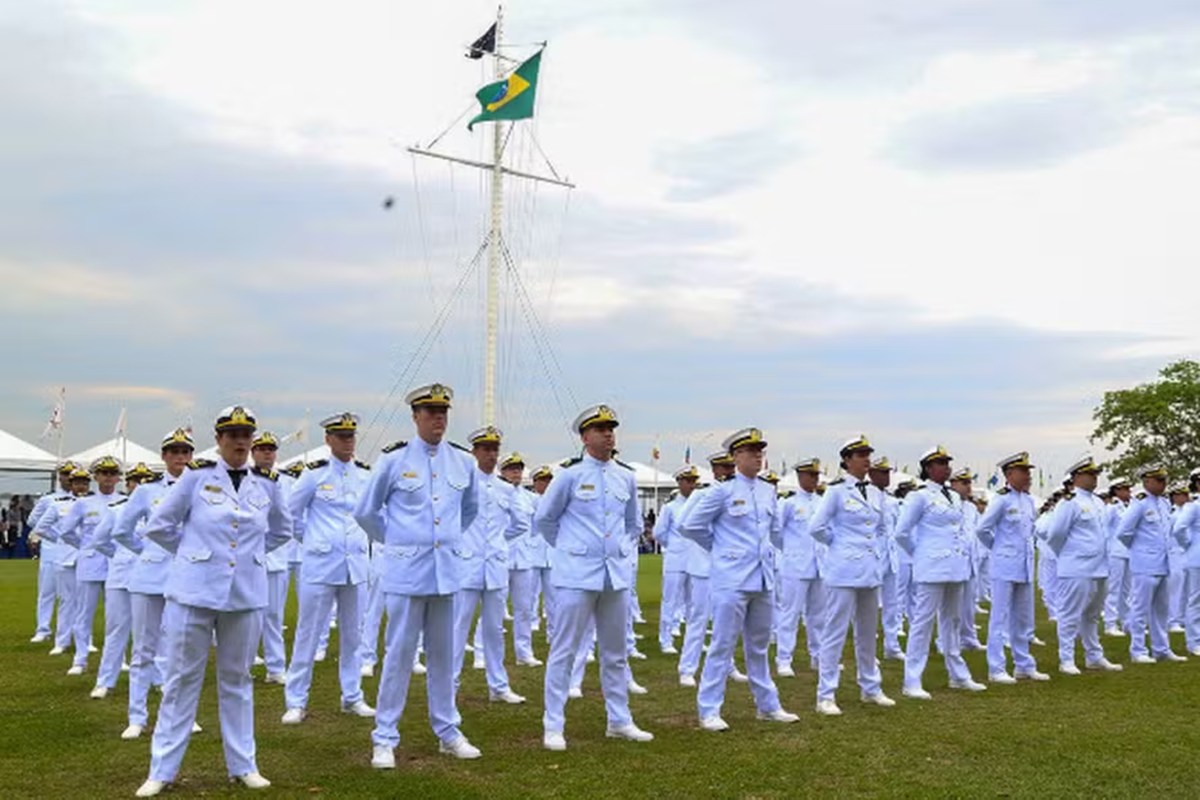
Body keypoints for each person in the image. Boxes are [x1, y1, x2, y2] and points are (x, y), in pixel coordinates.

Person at [134, 406, 293, 797]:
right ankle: (162, 770)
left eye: (246, 434)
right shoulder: (196, 476)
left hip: (245, 594)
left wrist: (249, 559)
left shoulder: (268, 484)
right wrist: (195, 554)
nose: (240, 441)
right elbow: (160, 526)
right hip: (194, 592)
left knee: (238, 680)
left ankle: (243, 765)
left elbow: (282, 531)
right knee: (181, 680)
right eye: (232, 434)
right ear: (219, 439)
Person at [354, 383, 482, 769]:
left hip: (446, 573)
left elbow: (469, 511)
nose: (438, 418)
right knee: (398, 656)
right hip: (407, 574)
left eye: (443, 412)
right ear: (415, 416)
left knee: (444, 657)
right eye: (430, 412)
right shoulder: (393, 460)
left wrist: (446, 542)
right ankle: (384, 737)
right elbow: (366, 512)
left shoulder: (463, 462)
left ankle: (448, 731)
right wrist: (396, 541)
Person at [535, 403, 653, 752]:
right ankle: (553, 724)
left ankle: (619, 720)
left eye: (611, 429)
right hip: (576, 575)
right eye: (601, 430)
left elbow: (632, 524)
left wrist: (618, 552)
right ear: (585, 437)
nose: (608, 434)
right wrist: (571, 549)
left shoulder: (625, 477)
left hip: (614, 576)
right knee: (564, 651)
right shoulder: (569, 476)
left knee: (615, 652)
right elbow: (544, 520)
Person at [679, 427, 796, 732]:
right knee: (722, 644)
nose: (758, 456)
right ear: (736, 456)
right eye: (751, 451)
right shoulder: (722, 491)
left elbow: (773, 531)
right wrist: (720, 550)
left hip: (762, 578)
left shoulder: (767, 490)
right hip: (731, 579)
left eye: (760, 451)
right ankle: (709, 709)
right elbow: (690, 526)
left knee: (759, 646)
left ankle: (767, 705)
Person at [282, 413, 375, 724]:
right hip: (321, 564)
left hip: (355, 565)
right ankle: (296, 700)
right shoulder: (314, 475)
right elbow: (291, 515)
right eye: (342, 436)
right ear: (329, 439)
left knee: (353, 635)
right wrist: (312, 540)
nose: (348, 442)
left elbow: (371, 514)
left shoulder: (364, 475)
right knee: (308, 634)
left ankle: (352, 696)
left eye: (351, 436)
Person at [113, 428, 197, 740]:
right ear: (164, 456)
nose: (180, 457)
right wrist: (147, 552)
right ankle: (137, 716)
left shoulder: (203, 487)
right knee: (144, 649)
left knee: (181, 651)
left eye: (185, 452)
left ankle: (180, 716)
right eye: (174, 452)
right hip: (149, 577)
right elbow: (122, 531)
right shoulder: (146, 491)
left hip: (187, 576)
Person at [809, 435, 894, 716]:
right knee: (835, 632)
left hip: (870, 570)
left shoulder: (876, 493)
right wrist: (840, 545)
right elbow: (816, 527)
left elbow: (881, 528)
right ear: (847, 460)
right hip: (844, 570)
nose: (866, 459)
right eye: (860, 455)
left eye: (868, 454)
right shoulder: (836, 492)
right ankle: (825, 694)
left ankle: (870, 687)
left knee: (868, 633)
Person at [893, 446, 985, 700]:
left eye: (947, 463)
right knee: (922, 623)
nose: (947, 468)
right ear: (929, 468)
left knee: (952, 621)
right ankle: (912, 680)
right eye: (941, 463)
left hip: (955, 566)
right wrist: (921, 554)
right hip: (932, 567)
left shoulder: (954, 496)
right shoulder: (919, 497)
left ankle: (958, 675)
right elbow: (902, 533)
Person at [452, 428, 528, 704]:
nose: (491, 454)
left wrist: (497, 542)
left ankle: (498, 685)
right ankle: (450, 684)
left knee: (494, 630)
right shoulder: (462, 484)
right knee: (458, 628)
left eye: (495, 449)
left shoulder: (505, 488)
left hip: (495, 565)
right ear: (474, 452)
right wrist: (463, 543)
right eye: (485, 449)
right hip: (467, 564)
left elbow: (521, 523)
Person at [974, 452, 1048, 684]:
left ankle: (1023, 664)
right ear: (1009, 474)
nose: (1028, 476)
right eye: (1023, 471)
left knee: (1023, 618)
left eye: (1028, 471)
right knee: (1000, 617)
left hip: (1024, 565)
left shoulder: (1028, 501)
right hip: (1004, 565)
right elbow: (982, 529)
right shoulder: (1001, 500)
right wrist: (998, 549)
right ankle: (996, 667)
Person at [1046, 456, 1123, 674]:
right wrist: (1068, 556)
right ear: (1077, 477)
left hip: (1099, 567)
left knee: (1092, 615)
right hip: (1076, 567)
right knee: (1069, 615)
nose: (1095, 478)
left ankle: (1094, 656)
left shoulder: (1097, 502)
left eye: (1096, 474)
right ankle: (1066, 659)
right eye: (1090, 474)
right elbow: (1055, 535)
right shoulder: (1069, 502)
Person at [88, 462, 158, 700]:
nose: (139, 486)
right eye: (135, 481)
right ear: (127, 485)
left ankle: (157, 678)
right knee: (116, 630)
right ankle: (105, 680)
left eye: (145, 481)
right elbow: (99, 540)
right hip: (121, 576)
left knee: (151, 633)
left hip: (150, 576)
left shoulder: (161, 509)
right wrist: (120, 555)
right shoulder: (117, 510)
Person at [53, 456, 124, 677]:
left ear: (119, 477)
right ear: (96, 476)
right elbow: (66, 531)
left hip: (116, 563)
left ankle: (119, 658)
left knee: (117, 616)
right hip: (90, 563)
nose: (108, 477)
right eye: (104, 473)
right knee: (84, 613)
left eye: (113, 473)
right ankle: (80, 659)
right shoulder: (84, 503)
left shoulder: (126, 501)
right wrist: (85, 547)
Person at [1118, 463, 1187, 664]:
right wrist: (1139, 550)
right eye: (1159, 480)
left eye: (1164, 480)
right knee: (1140, 608)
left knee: (1161, 610)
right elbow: (1123, 532)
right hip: (1145, 564)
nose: (1163, 484)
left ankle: (1161, 649)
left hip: (1164, 563)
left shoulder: (1164, 503)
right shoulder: (1139, 503)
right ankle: (1138, 650)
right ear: (1147, 481)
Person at [774, 457, 827, 676]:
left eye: (816, 475)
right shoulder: (789, 503)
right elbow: (776, 533)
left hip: (819, 565)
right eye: (811, 475)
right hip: (796, 565)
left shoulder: (822, 502)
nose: (815, 479)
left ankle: (818, 656)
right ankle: (784, 659)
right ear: (800, 476)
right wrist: (790, 551)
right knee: (790, 614)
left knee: (818, 615)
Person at [249, 432, 290, 685]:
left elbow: (288, 522)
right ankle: (245, 663)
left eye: (271, 449)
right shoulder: (243, 479)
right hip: (248, 559)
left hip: (275, 557)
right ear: (253, 452)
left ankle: (275, 667)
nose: (267, 453)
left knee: (274, 616)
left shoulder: (285, 481)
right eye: (262, 449)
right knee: (246, 615)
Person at [498, 450, 541, 668]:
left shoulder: (529, 498)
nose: (516, 473)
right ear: (502, 471)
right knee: (493, 609)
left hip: (524, 558)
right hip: (500, 557)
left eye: (518, 469)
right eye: (511, 469)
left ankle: (524, 653)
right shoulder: (496, 492)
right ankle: (482, 653)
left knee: (524, 609)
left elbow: (536, 525)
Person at [27, 462, 77, 644]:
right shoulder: (49, 499)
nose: (68, 478)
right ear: (59, 476)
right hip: (51, 549)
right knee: (47, 591)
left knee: (72, 594)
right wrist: (55, 536)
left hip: (73, 550)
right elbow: (33, 520)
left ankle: (71, 630)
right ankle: (43, 629)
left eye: (71, 474)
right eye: (65, 474)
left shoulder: (83, 499)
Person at [653, 465, 699, 655]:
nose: (692, 485)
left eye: (694, 481)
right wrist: (673, 546)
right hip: (676, 559)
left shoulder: (699, 504)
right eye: (688, 481)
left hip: (695, 559)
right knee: (670, 601)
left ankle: (693, 641)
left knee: (694, 604)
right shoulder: (670, 508)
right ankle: (666, 640)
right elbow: (659, 533)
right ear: (679, 482)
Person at [869, 456, 905, 660]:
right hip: (872, 557)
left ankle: (891, 645)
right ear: (872, 474)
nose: (887, 476)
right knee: (870, 606)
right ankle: (869, 649)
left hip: (891, 557)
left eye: (888, 472)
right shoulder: (866, 496)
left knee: (892, 604)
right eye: (883, 472)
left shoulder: (892, 501)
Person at [949, 468, 986, 652]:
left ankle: (969, 638)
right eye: (964, 483)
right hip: (953, 560)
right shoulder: (948, 504)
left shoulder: (971, 508)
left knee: (969, 603)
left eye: (969, 483)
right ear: (953, 484)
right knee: (951, 606)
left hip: (970, 560)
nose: (968, 487)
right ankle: (946, 640)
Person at [1171, 468, 1200, 656]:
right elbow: (1179, 529)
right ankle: (1194, 641)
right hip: (1197, 557)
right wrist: (1189, 545)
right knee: (1195, 600)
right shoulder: (1193, 506)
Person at [526, 464, 556, 648]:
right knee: (531, 593)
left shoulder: (555, 500)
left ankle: (553, 631)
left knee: (553, 597)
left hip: (551, 553)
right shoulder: (529, 499)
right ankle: (532, 621)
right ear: (535, 482)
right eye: (542, 480)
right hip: (533, 551)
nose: (546, 484)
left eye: (548, 480)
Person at [1103, 477, 1134, 636]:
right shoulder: (1112, 508)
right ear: (1116, 491)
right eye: (1125, 489)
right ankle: (1110, 623)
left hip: (1129, 551)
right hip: (1115, 552)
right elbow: (1104, 529)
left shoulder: (1131, 506)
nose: (1128, 492)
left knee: (1127, 590)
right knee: (1113, 589)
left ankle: (1127, 622)